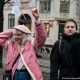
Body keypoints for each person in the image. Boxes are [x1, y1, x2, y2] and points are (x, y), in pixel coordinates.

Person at [0, 8, 46, 80]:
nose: (16, 37)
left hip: (25, 75)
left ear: (25, 35)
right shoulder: (10, 44)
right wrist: (12, 32)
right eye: (15, 35)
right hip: (12, 74)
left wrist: (37, 21)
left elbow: (41, 37)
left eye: (19, 35)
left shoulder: (31, 44)